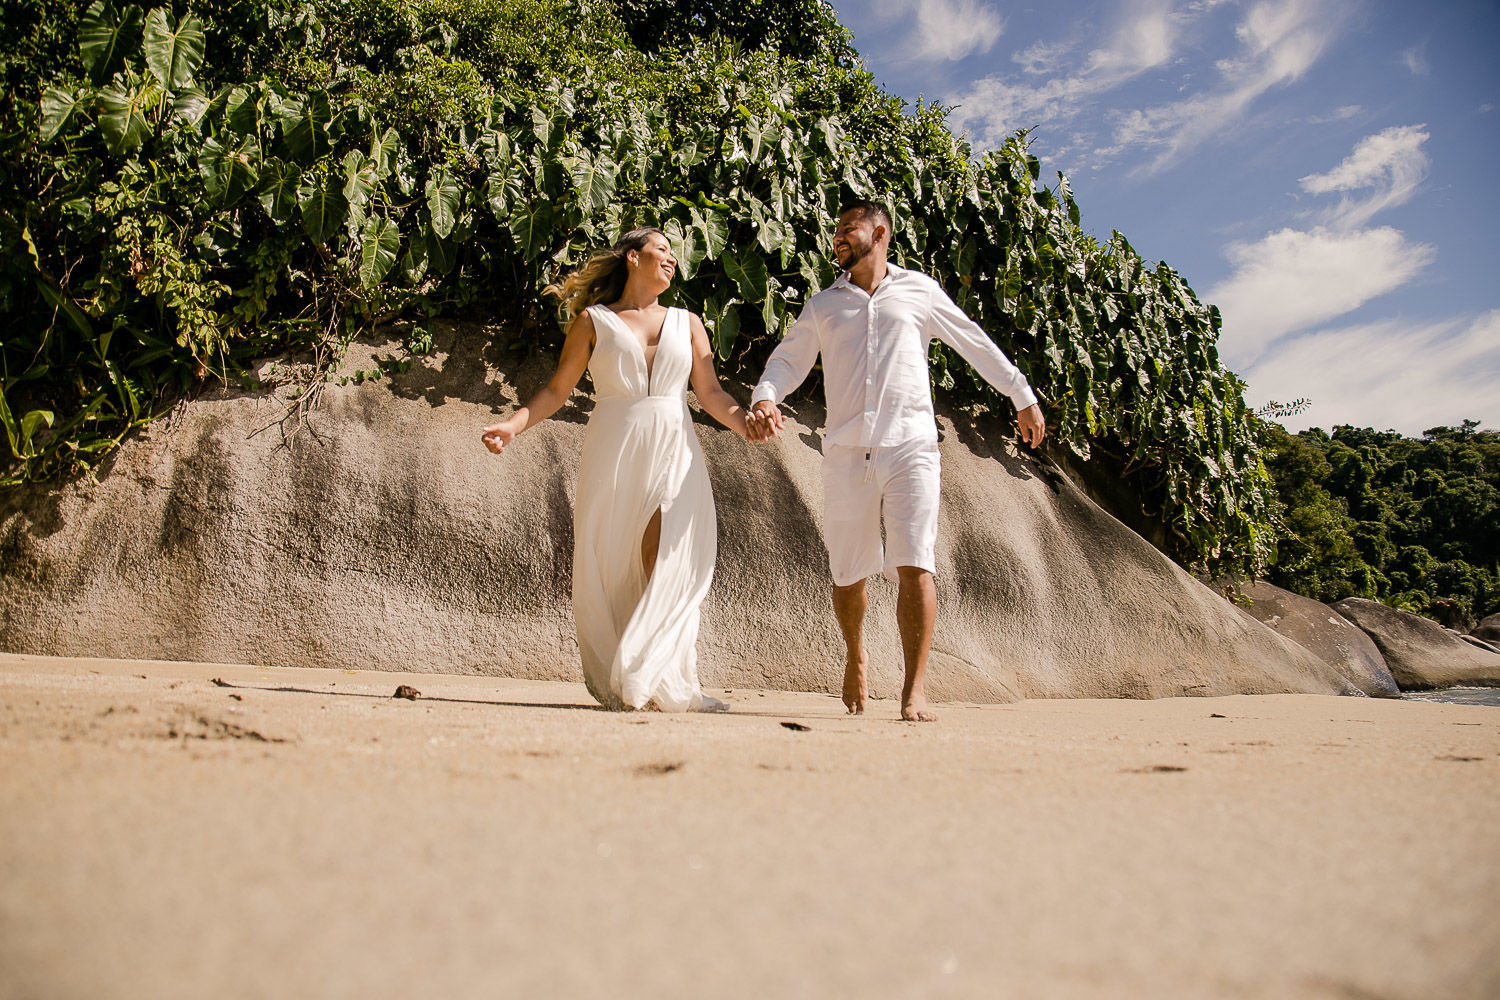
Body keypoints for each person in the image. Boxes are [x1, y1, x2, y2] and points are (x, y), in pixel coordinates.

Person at [750, 201, 1046, 722]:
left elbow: (971, 338)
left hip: (912, 447)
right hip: (845, 451)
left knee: (916, 562)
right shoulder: (824, 305)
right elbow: (790, 357)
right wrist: (766, 395)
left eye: (849, 229)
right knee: (848, 572)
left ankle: (915, 691)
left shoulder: (920, 291)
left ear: (879, 232)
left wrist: (1020, 393)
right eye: (837, 231)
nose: (838, 237)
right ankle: (855, 655)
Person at [482, 229, 766, 712]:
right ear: (634, 257)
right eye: (662, 250)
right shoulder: (594, 322)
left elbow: (712, 393)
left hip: (675, 447)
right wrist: (513, 425)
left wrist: (745, 423)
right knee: (615, 565)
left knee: (667, 556)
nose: (672, 258)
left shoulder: (689, 322)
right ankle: (640, 676)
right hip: (615, 449)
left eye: (674, 253)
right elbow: (556, 390)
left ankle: (657, 677)